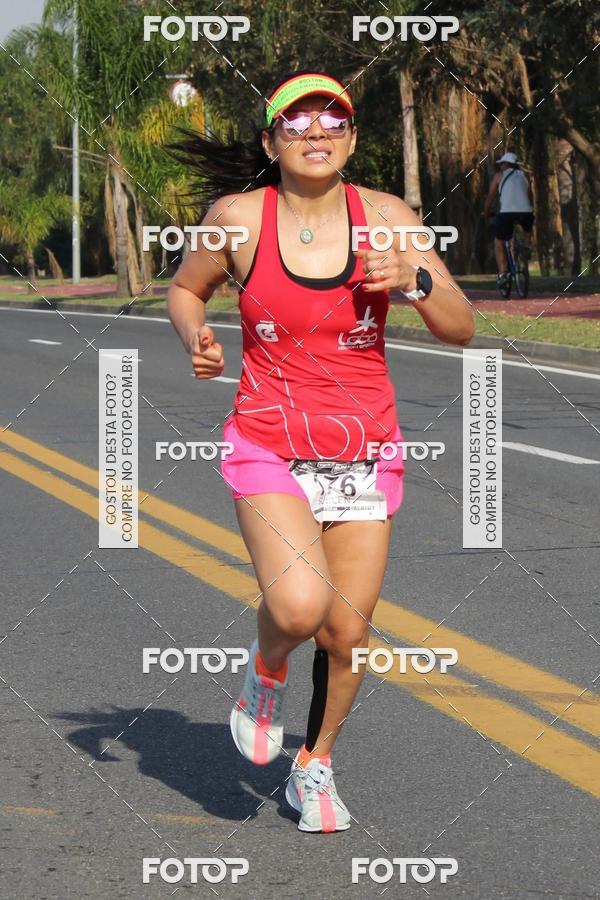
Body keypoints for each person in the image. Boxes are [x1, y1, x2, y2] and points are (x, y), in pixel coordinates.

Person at [167, 71, 474, 833]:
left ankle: (315, 765)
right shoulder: (238, 218)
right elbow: (187, 288)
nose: (315, 132)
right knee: (299, 608)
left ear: (352, 139)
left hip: (365, 449)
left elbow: (461, 327)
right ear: (272, 141)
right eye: (296, 121)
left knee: (346, 634)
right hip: (268, 441)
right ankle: (265, 671)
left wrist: (416, 279)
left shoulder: (388, 217)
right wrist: (197, 336)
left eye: (332, 120)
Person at [483, 151, 534, 289]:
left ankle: (502, 274)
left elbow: (490, 197)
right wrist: (530, 209)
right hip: (526, 212)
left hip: (507, 214)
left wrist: (486, 212)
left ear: (506, 164)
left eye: (502, 164)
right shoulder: (525, 176)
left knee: (499, 241)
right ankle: (527, 247)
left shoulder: (499, 176)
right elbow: (530, 196)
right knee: (527, 228)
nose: (500, 166)